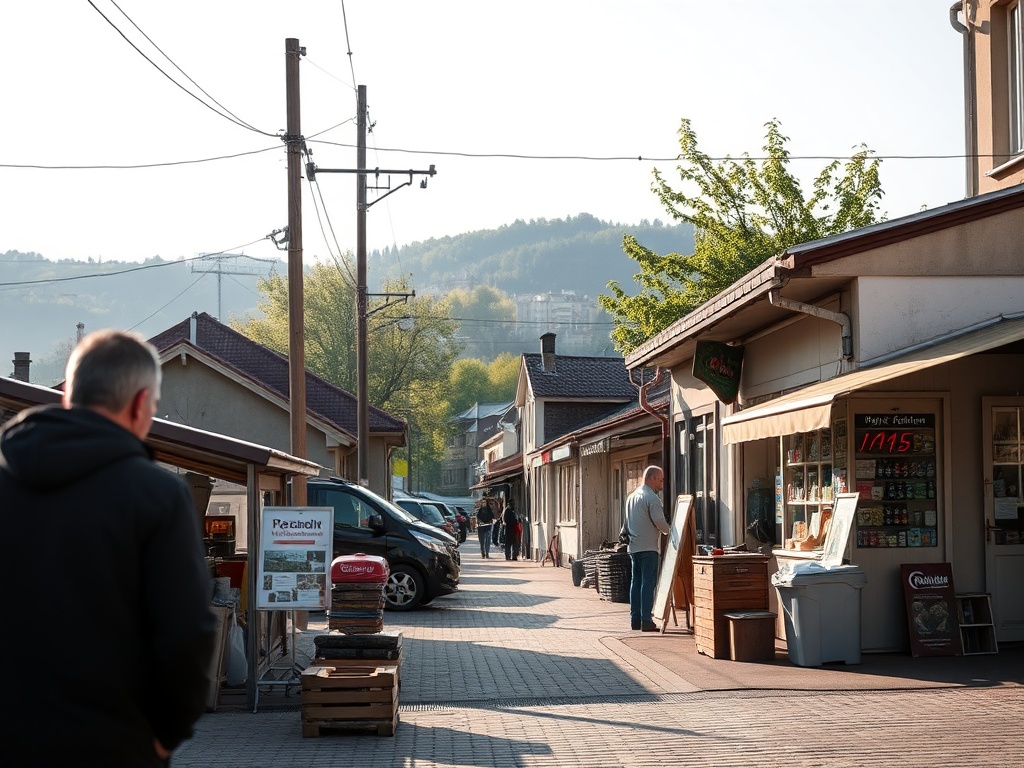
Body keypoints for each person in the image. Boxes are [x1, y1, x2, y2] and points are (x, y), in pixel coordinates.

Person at [0, 329, 217, 767]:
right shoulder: (157, 495)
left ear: (68, 398)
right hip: (114, 745)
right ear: (140, 405)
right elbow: (187, 632)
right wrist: (166, 735)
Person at [623, 465, 670, 632]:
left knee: (635, 582)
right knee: (647, 583)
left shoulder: (632, 497)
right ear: (652, 478)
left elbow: (626, 522)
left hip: (634, 546)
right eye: (661, 480)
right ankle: (646, 621)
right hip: (649, 546)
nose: (662, 483)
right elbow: (659, 521)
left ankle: (634, 620)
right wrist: (670, 532)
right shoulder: (652, 498)